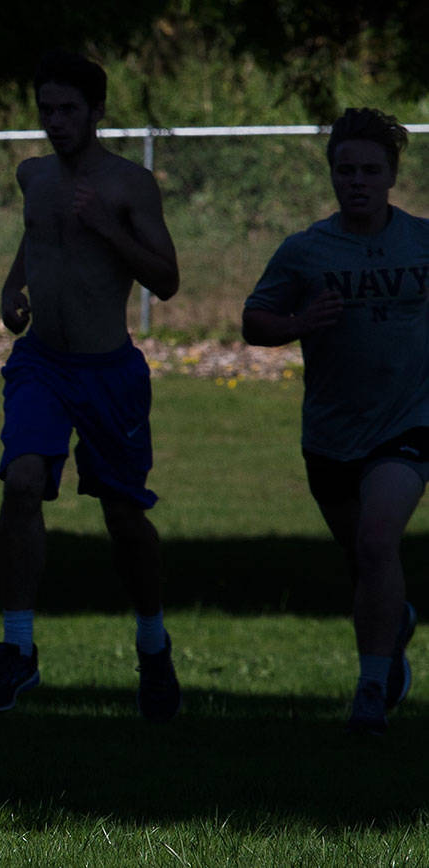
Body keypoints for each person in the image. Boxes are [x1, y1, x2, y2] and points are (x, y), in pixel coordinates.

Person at [0, 50, 182, 722]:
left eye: (67, 110)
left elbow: (167, 279)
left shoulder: (129, 185)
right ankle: (18, 648)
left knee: (122, 516)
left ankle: (153, 648)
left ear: (96, 112)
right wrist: (11, 288)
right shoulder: (34, 176)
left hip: (108, 371)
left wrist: (108, 227)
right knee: (23, 480)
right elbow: (34, 240)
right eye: (46, 110)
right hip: (42, 363)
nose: (55, 122)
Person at [243, 107, 425, 735]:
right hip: (330, 435)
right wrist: (297, 324)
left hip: (408, 424)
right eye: (345, 170)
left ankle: (370, 693)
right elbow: (253, 320)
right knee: (365, 561)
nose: (357, 182)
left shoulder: (423, 243)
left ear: (392, 175)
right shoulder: (305, 252)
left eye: (370, 170)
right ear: (331, 175)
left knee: (378, 542)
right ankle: (392, 625)